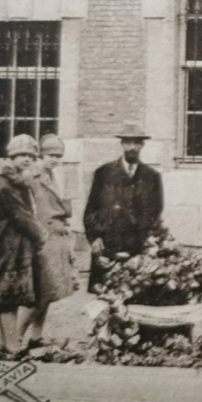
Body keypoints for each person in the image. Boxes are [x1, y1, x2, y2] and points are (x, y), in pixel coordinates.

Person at [83, 123, 165, 292]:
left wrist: (147, 242)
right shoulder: (104, 173)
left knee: (134, 294)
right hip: (108, 245)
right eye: (128, 142)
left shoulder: (152, 176)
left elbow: (155, 212)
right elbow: (91, 209)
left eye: (136, 143)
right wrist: (95, 237)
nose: (132, 147)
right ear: (122, 145)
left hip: (136, 248)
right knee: (104, 299)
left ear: (142, 145)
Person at [0, 134, 46, 355]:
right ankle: (11, 346)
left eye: (30, 156)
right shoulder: (7, 184)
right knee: (8, 297)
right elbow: (21, 215)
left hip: (15, 246)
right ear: (11, 157)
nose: (26, 159)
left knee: (9, 296)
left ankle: (7, 344)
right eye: (21, 155)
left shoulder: (19, 182)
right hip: (7, 247)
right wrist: (41, 235)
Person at [21, 133, 79, 347]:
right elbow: (28, 210)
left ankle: (36, 337)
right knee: (41, 293)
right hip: (43, 239)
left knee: (48, 293)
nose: (55, 159)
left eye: (58, 155)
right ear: (41, 154)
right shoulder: (32, 176)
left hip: (56, 238)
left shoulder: (51, 175)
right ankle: (15, 339)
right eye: (51, 155)